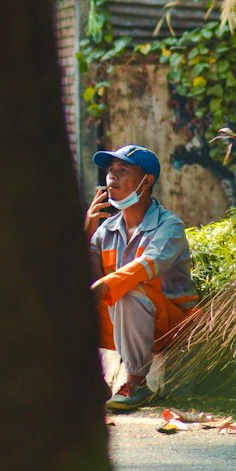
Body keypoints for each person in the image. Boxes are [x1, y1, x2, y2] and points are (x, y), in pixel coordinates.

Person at [85, 144, 197, 411]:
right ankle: (93, 383)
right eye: (110, 171)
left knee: (126, 289)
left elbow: (148, 264)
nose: (112, 177)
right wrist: (88, 226)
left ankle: (136, 382)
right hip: (127, 326)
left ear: (146, 182)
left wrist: (105, 285)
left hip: (171, 326)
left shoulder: (168, 226)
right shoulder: (107, 230)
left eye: (122, 171)